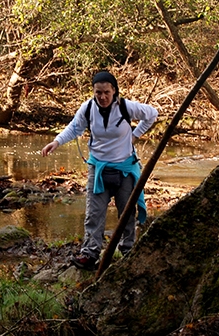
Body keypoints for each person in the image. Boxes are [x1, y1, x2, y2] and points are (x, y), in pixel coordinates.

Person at [41, 70, 159, 270]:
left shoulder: (126, 107)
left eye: (106, 92)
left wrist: (135, 135)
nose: (102, 97)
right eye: (98, 93)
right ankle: (90, 253)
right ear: (93, 92)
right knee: (94, 213)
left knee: (126, 212)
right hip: (98, 169)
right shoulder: (87, 109)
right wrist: (56, 142)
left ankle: (128, 249)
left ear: (114, 91)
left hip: (125, 169)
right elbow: (75, 128)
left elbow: (152, 114)